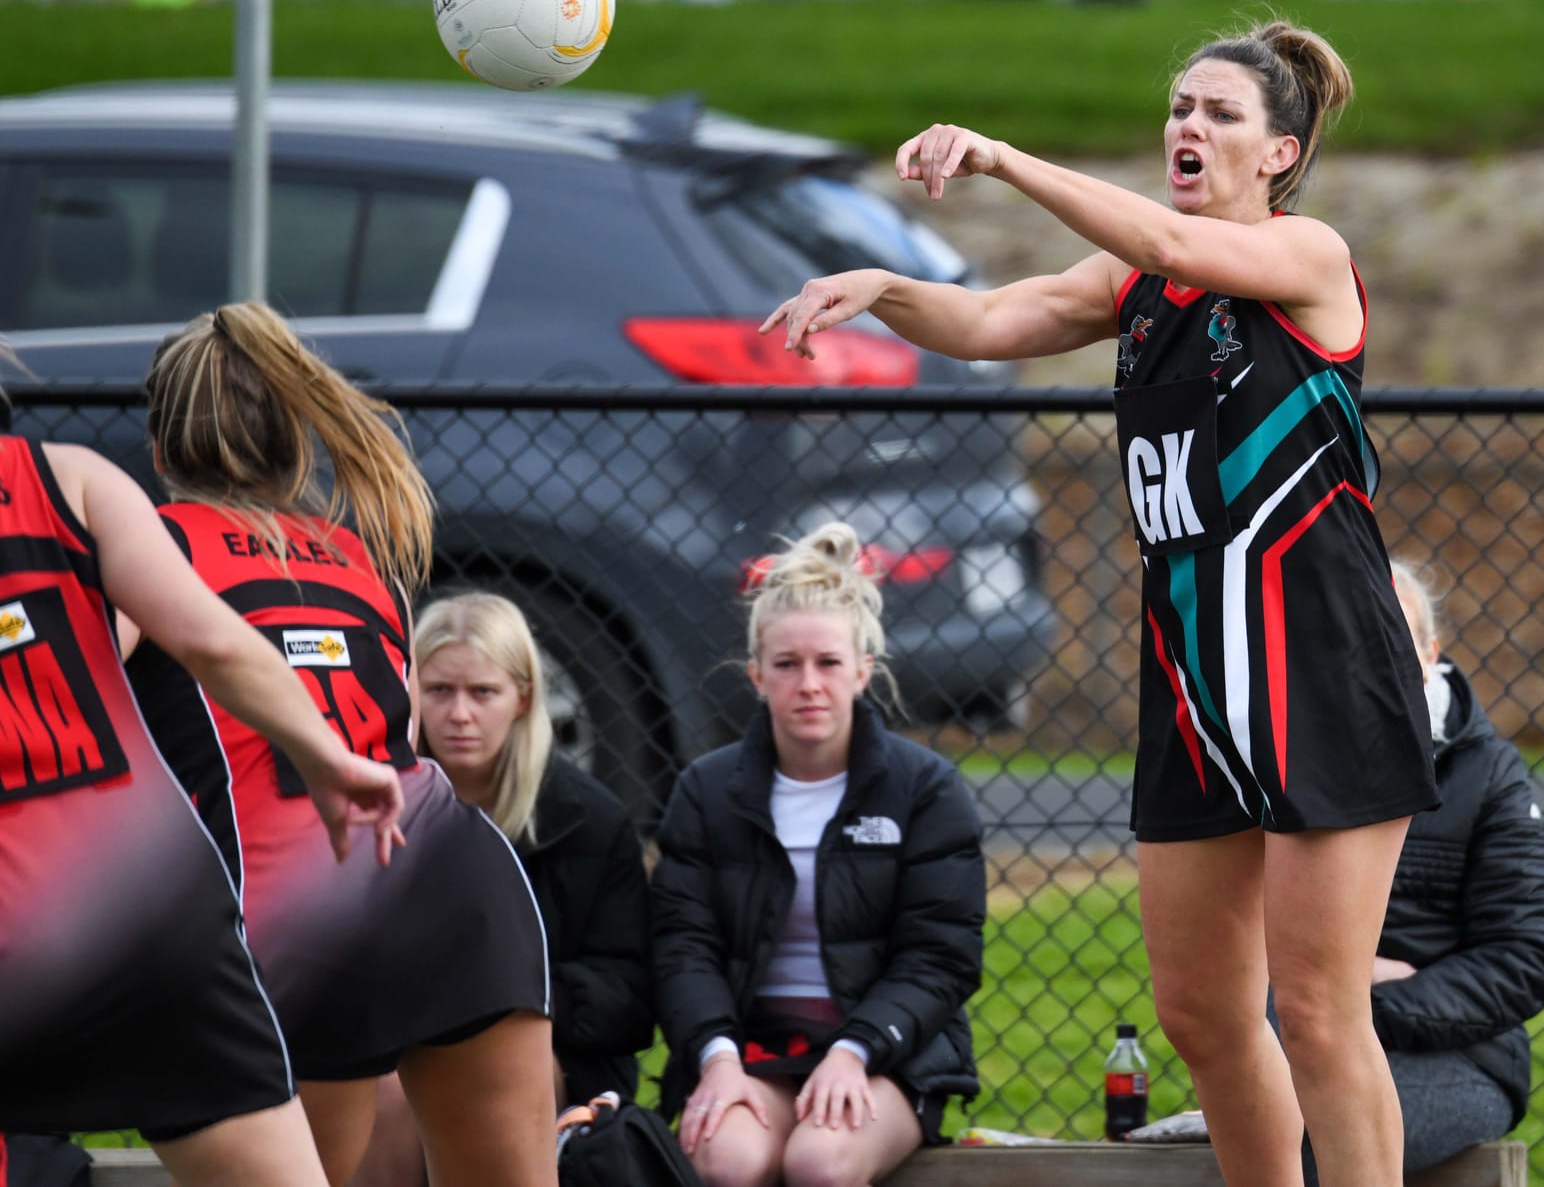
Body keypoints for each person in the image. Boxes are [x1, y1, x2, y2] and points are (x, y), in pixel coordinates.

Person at [760, 19, 1440, 1185]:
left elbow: (1168, 237)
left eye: (1219, 113)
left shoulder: (1306, 257)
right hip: (1193, 680)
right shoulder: (1136, 282)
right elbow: (987, 323)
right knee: (1201, 1012)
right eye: (1179, 107)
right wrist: (883, 288)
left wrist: (999, 159)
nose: (1187, 126)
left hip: (1318, 667)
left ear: (1278, 153)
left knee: (1318, 1013)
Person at [123, 302, 557, 1187]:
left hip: (292, 909)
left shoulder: (146, 554)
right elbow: (397, 737)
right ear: (296, 448)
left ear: (159, 452)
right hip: (457, 885)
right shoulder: (360, 561)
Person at [0, 370, 406, 1186]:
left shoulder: (145, 513)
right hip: (153, 915)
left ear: (164, 449)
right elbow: (213, 641)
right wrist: (327, 756)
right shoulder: (72, 478)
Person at [651, 521, 983, 1187]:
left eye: (828, 663)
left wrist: (857, 1049)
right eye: (786, 664)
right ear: (756, 675)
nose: (808, 683)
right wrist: (717, 1058)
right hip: (749, 1052)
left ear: (862, 671)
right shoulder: (707, 791)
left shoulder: (924, 789)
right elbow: (683, 947)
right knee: (727, 1159)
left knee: (821, 1162)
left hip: (884, 1055)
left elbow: (940, 956)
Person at [352, 591, 657, 1187]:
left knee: (488, 1068)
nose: (460, 714)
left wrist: (496, 997)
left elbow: (626, 998)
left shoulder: (586, 819)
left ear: (523, 697)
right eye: (439, 690)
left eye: (483, 692)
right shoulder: (375, 806)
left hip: (556, 1051)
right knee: (382, 1089)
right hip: (397, 1039)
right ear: (409, 693)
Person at [1273, 558, 1544, 1179]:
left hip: (1458, 1057)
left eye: (1393, 640)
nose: (1371, 663)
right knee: (1252, 1134)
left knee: (1309, 1149)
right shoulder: (1279, 766)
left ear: (1431, 654)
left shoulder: (1486, 774)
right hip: (1300, 1048)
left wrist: (1367, 1001)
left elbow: (1524, 957)